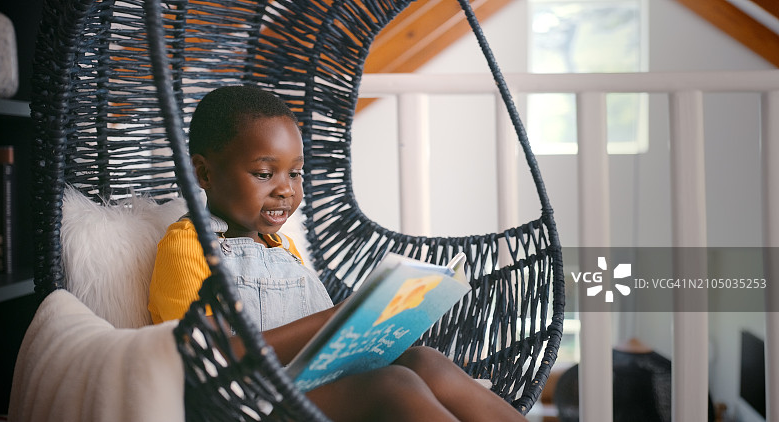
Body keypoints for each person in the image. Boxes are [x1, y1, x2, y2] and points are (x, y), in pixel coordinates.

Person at [148, 85, 528, 422]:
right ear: (205, 174)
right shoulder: (188, 245)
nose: (285, 190)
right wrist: (334, 319)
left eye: (295, 174)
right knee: (391, 385)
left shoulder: (285, 249)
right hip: (247, 408)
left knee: (424, 360)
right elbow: (208, 362)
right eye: (265, 174)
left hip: (310, 394)